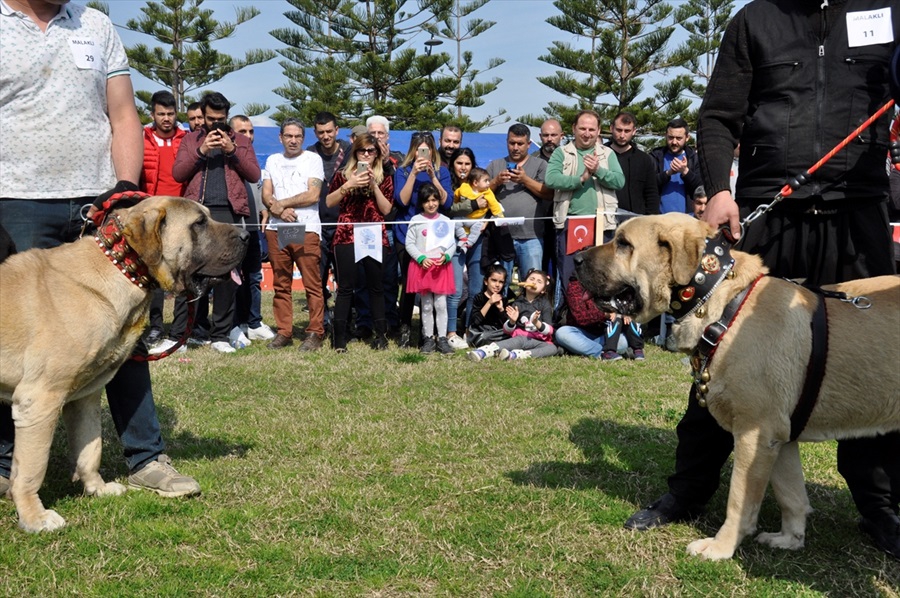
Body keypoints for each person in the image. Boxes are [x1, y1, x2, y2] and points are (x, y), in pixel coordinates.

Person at [626, 0, 900, 561]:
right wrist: (720, 192)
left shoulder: (890, 10)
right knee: (720, 358)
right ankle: (688, 491)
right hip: (770, 208)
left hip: (858, 210)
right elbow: (718, 116)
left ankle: (881, 507)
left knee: (884, 358)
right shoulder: (754, 19)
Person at [0, 0, 199, 498]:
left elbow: (123, 113)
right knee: (21, 347)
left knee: (126, 330)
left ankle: (146, 456)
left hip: (99, 203)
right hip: (15, 201)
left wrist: (127, 188)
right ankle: (8, 468)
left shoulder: (95, 23)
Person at [164, 91, 260, 355]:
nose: (215, 125)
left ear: (227, 116)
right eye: (210, 119)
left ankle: (220, 334)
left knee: (227, 274)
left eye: (220, 119)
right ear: (202, 115)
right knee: (188, 272)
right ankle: (181, 334)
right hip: (197, 215)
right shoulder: (190, 140)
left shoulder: (239, 140)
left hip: (229, 213)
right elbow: (178, 172)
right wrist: (201, 151)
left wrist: (233, 151)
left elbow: (254, 174)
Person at [545, 110, 625, 310]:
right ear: (574, 129)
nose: (587, 133)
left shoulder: (607, 154)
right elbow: (551, 179)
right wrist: (579, 179)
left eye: (591, 129)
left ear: (598, 131)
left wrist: (599, 171)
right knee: (569, 272)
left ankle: (601, 316)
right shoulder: (561, 153)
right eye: (582, 129)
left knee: (602, 273)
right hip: (570, 223)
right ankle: (568, 316)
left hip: (602, 224)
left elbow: (619, 181)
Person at [260, 118, 327, 351]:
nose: (293, 140)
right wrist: (275, 206)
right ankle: (284, 332)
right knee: (281, 284)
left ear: (303, 138)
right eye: (288, 136)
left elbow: (313, 195)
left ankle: (316, 331)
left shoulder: (313, 159)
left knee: (312, 284)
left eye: (298, 136)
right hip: (278, 230)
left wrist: (280, 206)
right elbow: (266, 193)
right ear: (280, 138)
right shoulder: (272, 160)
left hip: (306, 228)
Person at [325, 133, 393, 352]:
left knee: (376, 287)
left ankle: (380, 336)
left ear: (377, 154)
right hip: (346, 233)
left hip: (374, 233)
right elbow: (328, 202)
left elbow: (386, 209)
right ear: (354, 153)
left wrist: (373, 186)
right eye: (362, 150)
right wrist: (350, 183)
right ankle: (339, 339)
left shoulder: (385, 177)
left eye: (371, 151)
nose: (366, 154)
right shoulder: (342, 175)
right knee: (346, 288)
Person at [393, 132, 454, 347]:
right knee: (410, 287)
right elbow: (401, 200)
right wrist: (413, 174)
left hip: (435, 240)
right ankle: (405, 330)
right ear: (413, 151)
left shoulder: (442, 171)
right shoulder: (402, 171)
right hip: (408, 235)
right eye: (419, 150)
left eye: (427, 150)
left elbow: (446, 204)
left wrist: (433, 176)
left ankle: (432, 334)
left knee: (434, 290)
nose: (423, 154)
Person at [139, 90, 187, 353]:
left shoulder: (187, 139)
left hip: (180, 214)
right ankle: (155, 324)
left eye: (170, 114)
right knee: (153, 272)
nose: (166, 119)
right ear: (152, 114)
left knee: (180, 270)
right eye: (161, 114)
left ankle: (182, 327)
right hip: (151, 214)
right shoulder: (141, 138)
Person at [487, 122, 554, 287]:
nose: (515, 148)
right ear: (506, 142)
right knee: (498, 287)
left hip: (531, 236)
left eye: (520, 144)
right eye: (512, 143)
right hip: (501, 237)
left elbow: (549, 193)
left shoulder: (540, 165)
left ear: (529, 144)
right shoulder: (495, 165)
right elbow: (480, 193)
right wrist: (496, 182)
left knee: (533, 285)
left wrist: (525, 180)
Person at [229, 114, 276, 345]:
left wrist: (263, 210)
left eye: (250, 131)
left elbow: (256, 189)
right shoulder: (228, 160)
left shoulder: (253, 157)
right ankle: (234, 323)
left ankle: (254, 322)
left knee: (254, 277)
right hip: (233, 229)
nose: (248, 136)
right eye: (242, 132)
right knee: (233, 278)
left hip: (254, 227)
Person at [404, 184, 464, 355]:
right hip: (423, 268)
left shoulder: (445, 221)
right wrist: (421, 258)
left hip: (440, 268)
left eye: (434, 200)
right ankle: (428, 338)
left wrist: (446, 256)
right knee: (427, 306)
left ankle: (442, 339)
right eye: (427, 201)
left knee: (441, 304)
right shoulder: (416, 220)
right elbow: (409, 243)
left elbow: (452, 243)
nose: (431, 204)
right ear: (421, 203)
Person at [307, 111, 351, 335]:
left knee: (347, 278)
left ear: (337, 131)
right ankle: (320, 320)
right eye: (320, 132)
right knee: (317, 276)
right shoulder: (309, 154)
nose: (325, 136)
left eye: (329, 131)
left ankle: (347, 320)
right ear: (315, 133)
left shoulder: (350, 152)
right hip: (317, 224)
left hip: (345, 224)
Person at [466, 268, 558, 361]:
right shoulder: (517, 303)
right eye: (532, 279)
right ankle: (484, 351)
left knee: (553, 348)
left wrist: (536, 323)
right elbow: (507, 330)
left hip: (538, 340)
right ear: (525, 283)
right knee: (518, 339)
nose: (534, 282)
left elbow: (549, 331)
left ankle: (517, 355)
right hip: (521, 338)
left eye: (539, 281)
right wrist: (512, 322)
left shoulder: (545, 304)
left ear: (543, 290)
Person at [606, 111, 660, 216]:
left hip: (636, 221)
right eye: (619, 130)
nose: (622, 135)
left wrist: (651, 219)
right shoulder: (601, 155)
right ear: (611, 128)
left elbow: (651, 192)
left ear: (634, 131)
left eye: (627, 131)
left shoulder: (644, 159)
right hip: (605, 218)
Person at [649, 117, 702, 214]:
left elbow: (701, 187)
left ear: (687, 137)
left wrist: (685, 171)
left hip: (688, 218)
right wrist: (668, 173)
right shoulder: (655, 157)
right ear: (666, 135)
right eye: (670, 137)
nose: (674, 142)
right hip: (660, 218)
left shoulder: (695, 159)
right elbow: (649, 184)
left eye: (678, 138)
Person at [554, 278, 611, 359]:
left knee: (623, 339)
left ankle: (580, 349)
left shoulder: (612, 283)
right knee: (562, 333)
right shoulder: (575, 285)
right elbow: (581, 317)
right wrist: (605, 314)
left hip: (605, 334)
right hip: (580, 332)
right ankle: (603, 352)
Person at [455, 167, 504, 249]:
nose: (488, 183)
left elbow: (494, 205)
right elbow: (456, 196)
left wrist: (500, 217)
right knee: (455, 221)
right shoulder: (464, 188)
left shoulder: (487, 193)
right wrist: (456, 203)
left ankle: (469, 243)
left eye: (489, 180)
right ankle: (462, 238)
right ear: (475, 183)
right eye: (486, 181)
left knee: (478, 228)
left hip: (477, 219)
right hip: (464, 217)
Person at [465, 263, 509, 348]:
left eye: (501, 282)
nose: (497, 285)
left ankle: (495, 343)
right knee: (484, 336)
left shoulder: (503, 299)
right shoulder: (479, 297)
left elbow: (504, 324)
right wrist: (489, 302)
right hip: (481, 331)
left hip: (496, 331)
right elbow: (476, 322)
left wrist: (501, 309)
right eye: (494, 280)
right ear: (486, 281)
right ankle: (496, 343)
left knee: (512, 332)